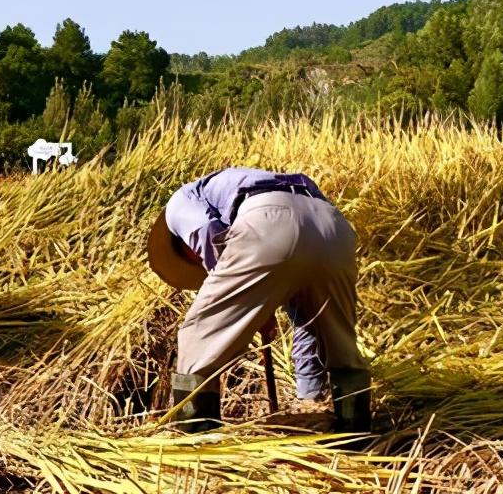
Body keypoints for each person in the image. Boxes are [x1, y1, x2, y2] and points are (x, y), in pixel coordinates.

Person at [147, 167, 371, 432]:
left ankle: (195, 439)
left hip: (268, 222)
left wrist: (252, 307)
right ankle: (355, 433)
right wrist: (308, 397)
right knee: (334, 336)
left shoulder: (178, 204)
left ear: (180, 243)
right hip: (333, 228)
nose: (195, 257)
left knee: (196, 338)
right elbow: (305, 319)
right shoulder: (243, 183)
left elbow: (208, 231)